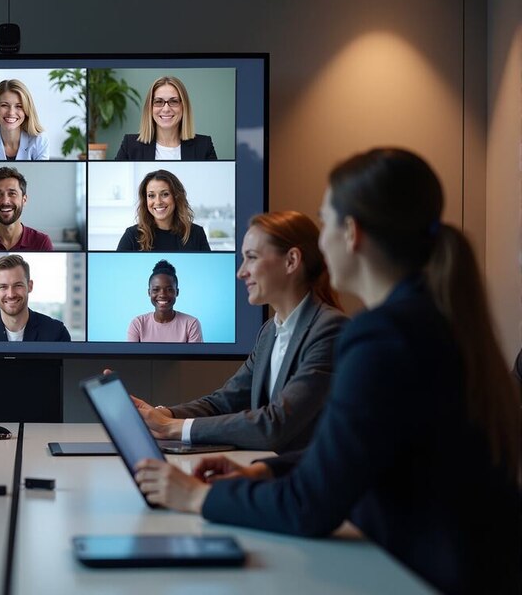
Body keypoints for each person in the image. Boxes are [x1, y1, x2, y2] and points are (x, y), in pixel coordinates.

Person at [134, 149, 521, 594]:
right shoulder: (425, 320)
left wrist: (197, 497)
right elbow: (366, 448)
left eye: (326, 220)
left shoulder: (381, 337)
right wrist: (267, 472)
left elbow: (310, 507)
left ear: (352, 233)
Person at [131, 212, 346, 452]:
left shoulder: (330, 330)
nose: (241, 272)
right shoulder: (269, 332)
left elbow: (275, 424)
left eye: (251, 258)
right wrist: (161, 414)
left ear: (291, 261)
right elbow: (225, 402)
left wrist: (173, 427)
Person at [0, 254, 70, 342]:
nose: (11, 294)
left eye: (18, 285)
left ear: (30, 286)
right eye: (3, 287)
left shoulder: (56, 332)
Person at [114, 76, 216, 161]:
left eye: (174, 101)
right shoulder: (130, 145)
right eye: (158, 102)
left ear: (184, 106)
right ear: (150, 108)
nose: (166, 109)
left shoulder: (204, 146)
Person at [116, 169, 210, 252]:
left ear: (176, 197)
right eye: (151, 196)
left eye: (165, 194)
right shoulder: (132, 236)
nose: (158, 202)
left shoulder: (197, 233)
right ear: (145, 200)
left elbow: (208, 269)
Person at [127, 260, 203, 343]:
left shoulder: (191, 324)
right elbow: (131, 356)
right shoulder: (138, 324)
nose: (162, 295)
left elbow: (195, 356)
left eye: (169, 290)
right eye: (156, 289)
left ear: (177, 292)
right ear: (149, 292)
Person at [0, 79, 49, 160]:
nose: (11, 113)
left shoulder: (39, 140)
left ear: (27, 109)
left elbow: (42, 173)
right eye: (4, 105)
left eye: (19, 106)